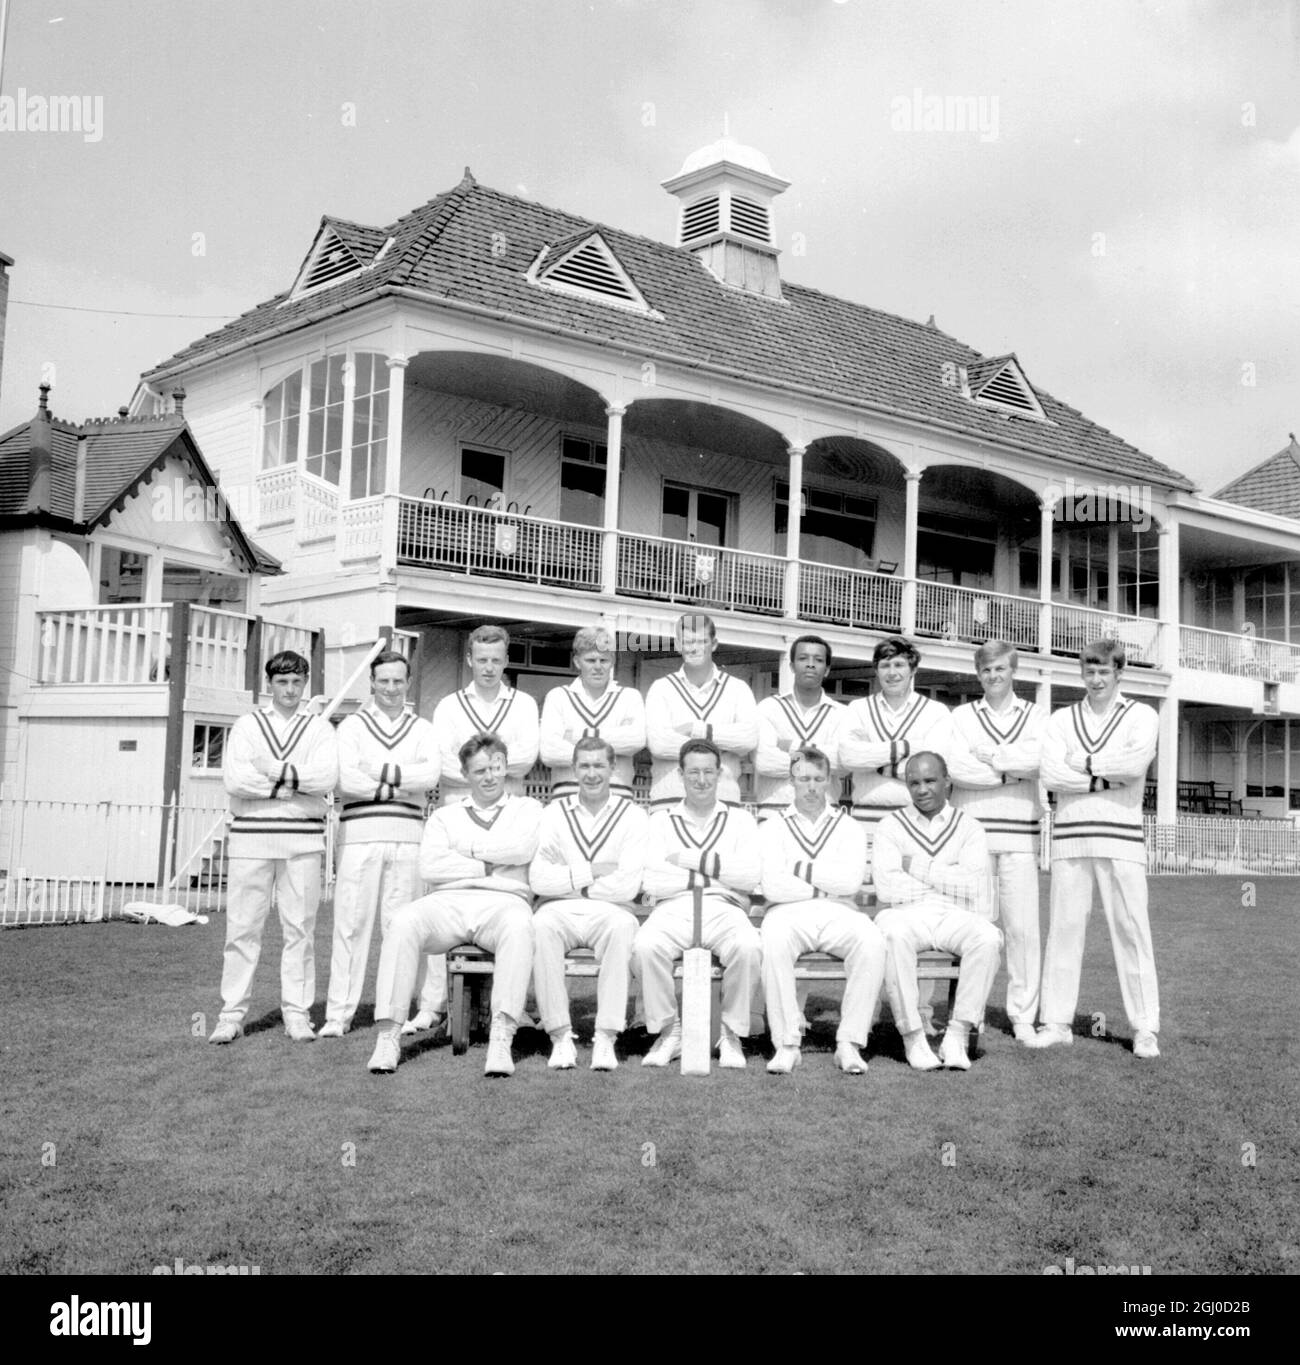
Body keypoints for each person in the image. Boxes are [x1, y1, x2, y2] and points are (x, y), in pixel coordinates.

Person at [367, 734, 541, 1077]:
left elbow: (522, 849)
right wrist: (488, 864)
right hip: (448, 899)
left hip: (504, 901)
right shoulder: (445, 816)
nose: (489, 776)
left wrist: (463, 850)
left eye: (495, 767)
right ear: (465, 774)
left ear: (505, 767)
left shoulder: (528, 808)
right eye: (479, 770)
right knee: (402, 922)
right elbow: (430, 866)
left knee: (521, 927)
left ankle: (501, 1036)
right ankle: (388, 1035)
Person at [1030, 639, 1161, 1058]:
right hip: (1070, 836)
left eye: (1105, 671)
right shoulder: (1061, 718)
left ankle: (1144, 1029)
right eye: (1090, 671)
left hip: (1122, 836)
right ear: (1081, 673)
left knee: (1131, 930)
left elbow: (1134, 765)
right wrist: (1106, 771)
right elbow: (1050, 774)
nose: (1097, 678)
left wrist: (1082, 764)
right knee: (1064, 931)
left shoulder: (1142, 714)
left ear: (1119, 672)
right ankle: (1055, 1022)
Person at [209, 651, 338, 1044]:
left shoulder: (319, 728)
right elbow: (235, 780)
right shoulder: (247, 725)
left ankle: (297, 1013)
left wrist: (273, 771)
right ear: (269, 685)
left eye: (297, 682)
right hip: (251, 839)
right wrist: (298, 787)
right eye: (282, 682)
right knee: (242, 929)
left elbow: (327, 778)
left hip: (302, 842)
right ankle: (231, 1014)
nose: (290, 689)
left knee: (300, 929)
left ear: (305, 683)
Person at [322, 649, 445, 1038]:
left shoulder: (422, 728)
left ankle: (394, 1011)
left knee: (400, 927)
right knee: (350, 925)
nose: (391, 688)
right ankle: (338, 1014)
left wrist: (376, 772)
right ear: (372, 683)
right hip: (359, 836)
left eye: (398, 681)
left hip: (408, 837)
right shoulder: (353, 727)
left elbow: (430, 776)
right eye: (384, 681)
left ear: (408, 683)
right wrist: (401, 782)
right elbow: (346, 780)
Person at [634, 739, 763, 1068]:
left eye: (708, 772)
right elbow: (653, 880)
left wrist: (687, 860)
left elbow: (748, 877)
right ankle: (669, 1030)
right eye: (693, 772)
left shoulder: (740, 820)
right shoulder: (661, 820)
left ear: (719, 773)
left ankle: (730, 1033)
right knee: (645, 947)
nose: (701, 780)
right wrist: (719, 872)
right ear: (680, 774)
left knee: (748, 946)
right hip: (672, 908)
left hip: (723, 909)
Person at [872, 752, 1002, 1070]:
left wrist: (915, 865)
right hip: (905, 913)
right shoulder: (891, 826)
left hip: (953, 915)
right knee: (893, 934)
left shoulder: (968, 827)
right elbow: (888, 888)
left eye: (930, 781)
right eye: (914, 782)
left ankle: (957, 1034)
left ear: (947, 782)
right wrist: (948, 876)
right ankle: (913, 1036)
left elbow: (974, 886)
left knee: (987, 937)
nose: (922, 790)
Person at [760, 746, 884, 1075]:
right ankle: (787, 1044)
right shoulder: (772, 827)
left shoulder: (848, 827)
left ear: (828, 781)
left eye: (817, 778)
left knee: (871, 940)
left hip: (839, 910)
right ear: (792, 781)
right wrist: (824, 882)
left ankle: (849, 1043)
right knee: (772, 940)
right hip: (788, 912)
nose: (811, 786)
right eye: (803, 779)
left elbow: (850, 882)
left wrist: (798, 868)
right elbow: (773, 886)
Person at [946, 641, 1046, 1043]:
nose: (994, 676)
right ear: (978, 674)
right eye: (986, 671)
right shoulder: (962, 715)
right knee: (976, 927)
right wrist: (1010, 769)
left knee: (1022, 929)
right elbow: (956, 766)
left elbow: (1041, 759)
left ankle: (1023, 1014)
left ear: (1013, 670)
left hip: (1021, 832)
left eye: (1001, 669)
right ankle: (972, 1013)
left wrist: (990, 757)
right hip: (972, 834)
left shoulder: (1037, 715)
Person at [529, 736, 647, 1071]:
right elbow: (538, 878)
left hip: (610, 912)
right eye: (584, 765)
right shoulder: (553, 813)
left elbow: (628, 884)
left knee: (624, 927)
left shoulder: (633, 815)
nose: (591, 773)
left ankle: (606, 1037)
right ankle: (560, 1035)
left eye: (598, 765)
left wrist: (568, 883)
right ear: (573, 769)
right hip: (558, 911)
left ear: (613, 768)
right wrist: (592, 871)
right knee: (540, 926)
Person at [839, 636, 953, 840]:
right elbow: (849, 757)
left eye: (899, 665)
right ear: (876, 670)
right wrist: (906, 748)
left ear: (913, 670)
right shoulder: (858, 708)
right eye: (885, 665)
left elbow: (936, 767)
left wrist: (873, 761)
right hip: (866, 820)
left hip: (919, 821)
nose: (892, 673)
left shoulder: (936, 711)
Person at [644, 613, 759, 808]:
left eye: (702, 641)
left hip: (724, 802)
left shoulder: (738, 689)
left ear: (714, 644)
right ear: (678, 645)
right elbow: (660, 744)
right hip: (669, 802)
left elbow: (748, 739)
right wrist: (722, 745)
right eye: (688, 642)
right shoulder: (661, 688)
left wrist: (698, 730)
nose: (695, 648)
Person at [432, 624, 539, 805]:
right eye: (482, 660)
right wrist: (500, 767)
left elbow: (525, 761)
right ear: (469, 660)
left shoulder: (524, 704)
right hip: (459, 808)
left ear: (505, 661)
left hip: (509, 811)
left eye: (495, 661)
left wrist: (473, 767)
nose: (489, 668)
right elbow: (442, 765)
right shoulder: (448, 706)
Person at [539, 625, 646, 802]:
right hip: (568, 796)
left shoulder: (629, 697)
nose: (598, 667)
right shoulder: (558, 696)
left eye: (603, 660)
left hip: (617, 797)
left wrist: (581, 735)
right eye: (590, 660)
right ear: (577, 661)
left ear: (612, 662)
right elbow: (549, 751)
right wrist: (610, 749)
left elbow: (636, 739)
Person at [754, 635, 848, 818]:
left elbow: (843, 763)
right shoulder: (769, 707)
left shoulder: (842, 714)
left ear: (827, 669)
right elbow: (765, 762)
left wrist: (793, 746)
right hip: (774, 811)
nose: (810, 664)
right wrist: (821, 761)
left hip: (824, 815)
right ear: (791, 666)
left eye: (818, 660)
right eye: (803, 658)